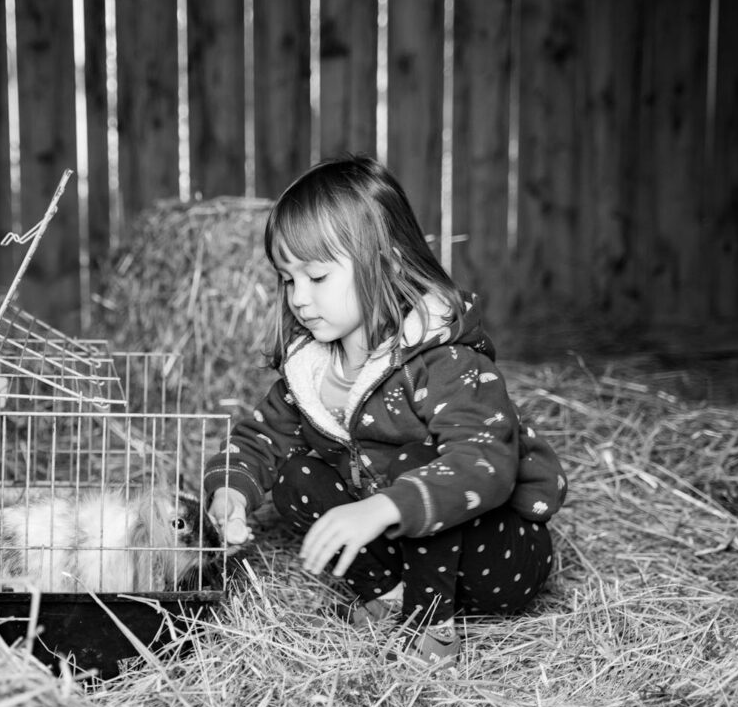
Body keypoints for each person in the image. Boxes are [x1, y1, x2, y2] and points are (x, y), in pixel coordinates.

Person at [204, 153, 567, 667]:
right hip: (403, 551)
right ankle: (388, 592)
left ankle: (429, 623)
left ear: (387, 263)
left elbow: (483, 463)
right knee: (295, 474)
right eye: (288, 280)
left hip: (492, 562)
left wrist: (380, 507)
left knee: (419, 463)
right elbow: (259, 439)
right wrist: (230, 492)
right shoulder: (312, 371)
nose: (299, 299)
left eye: (317, 277)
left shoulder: (443, 360)